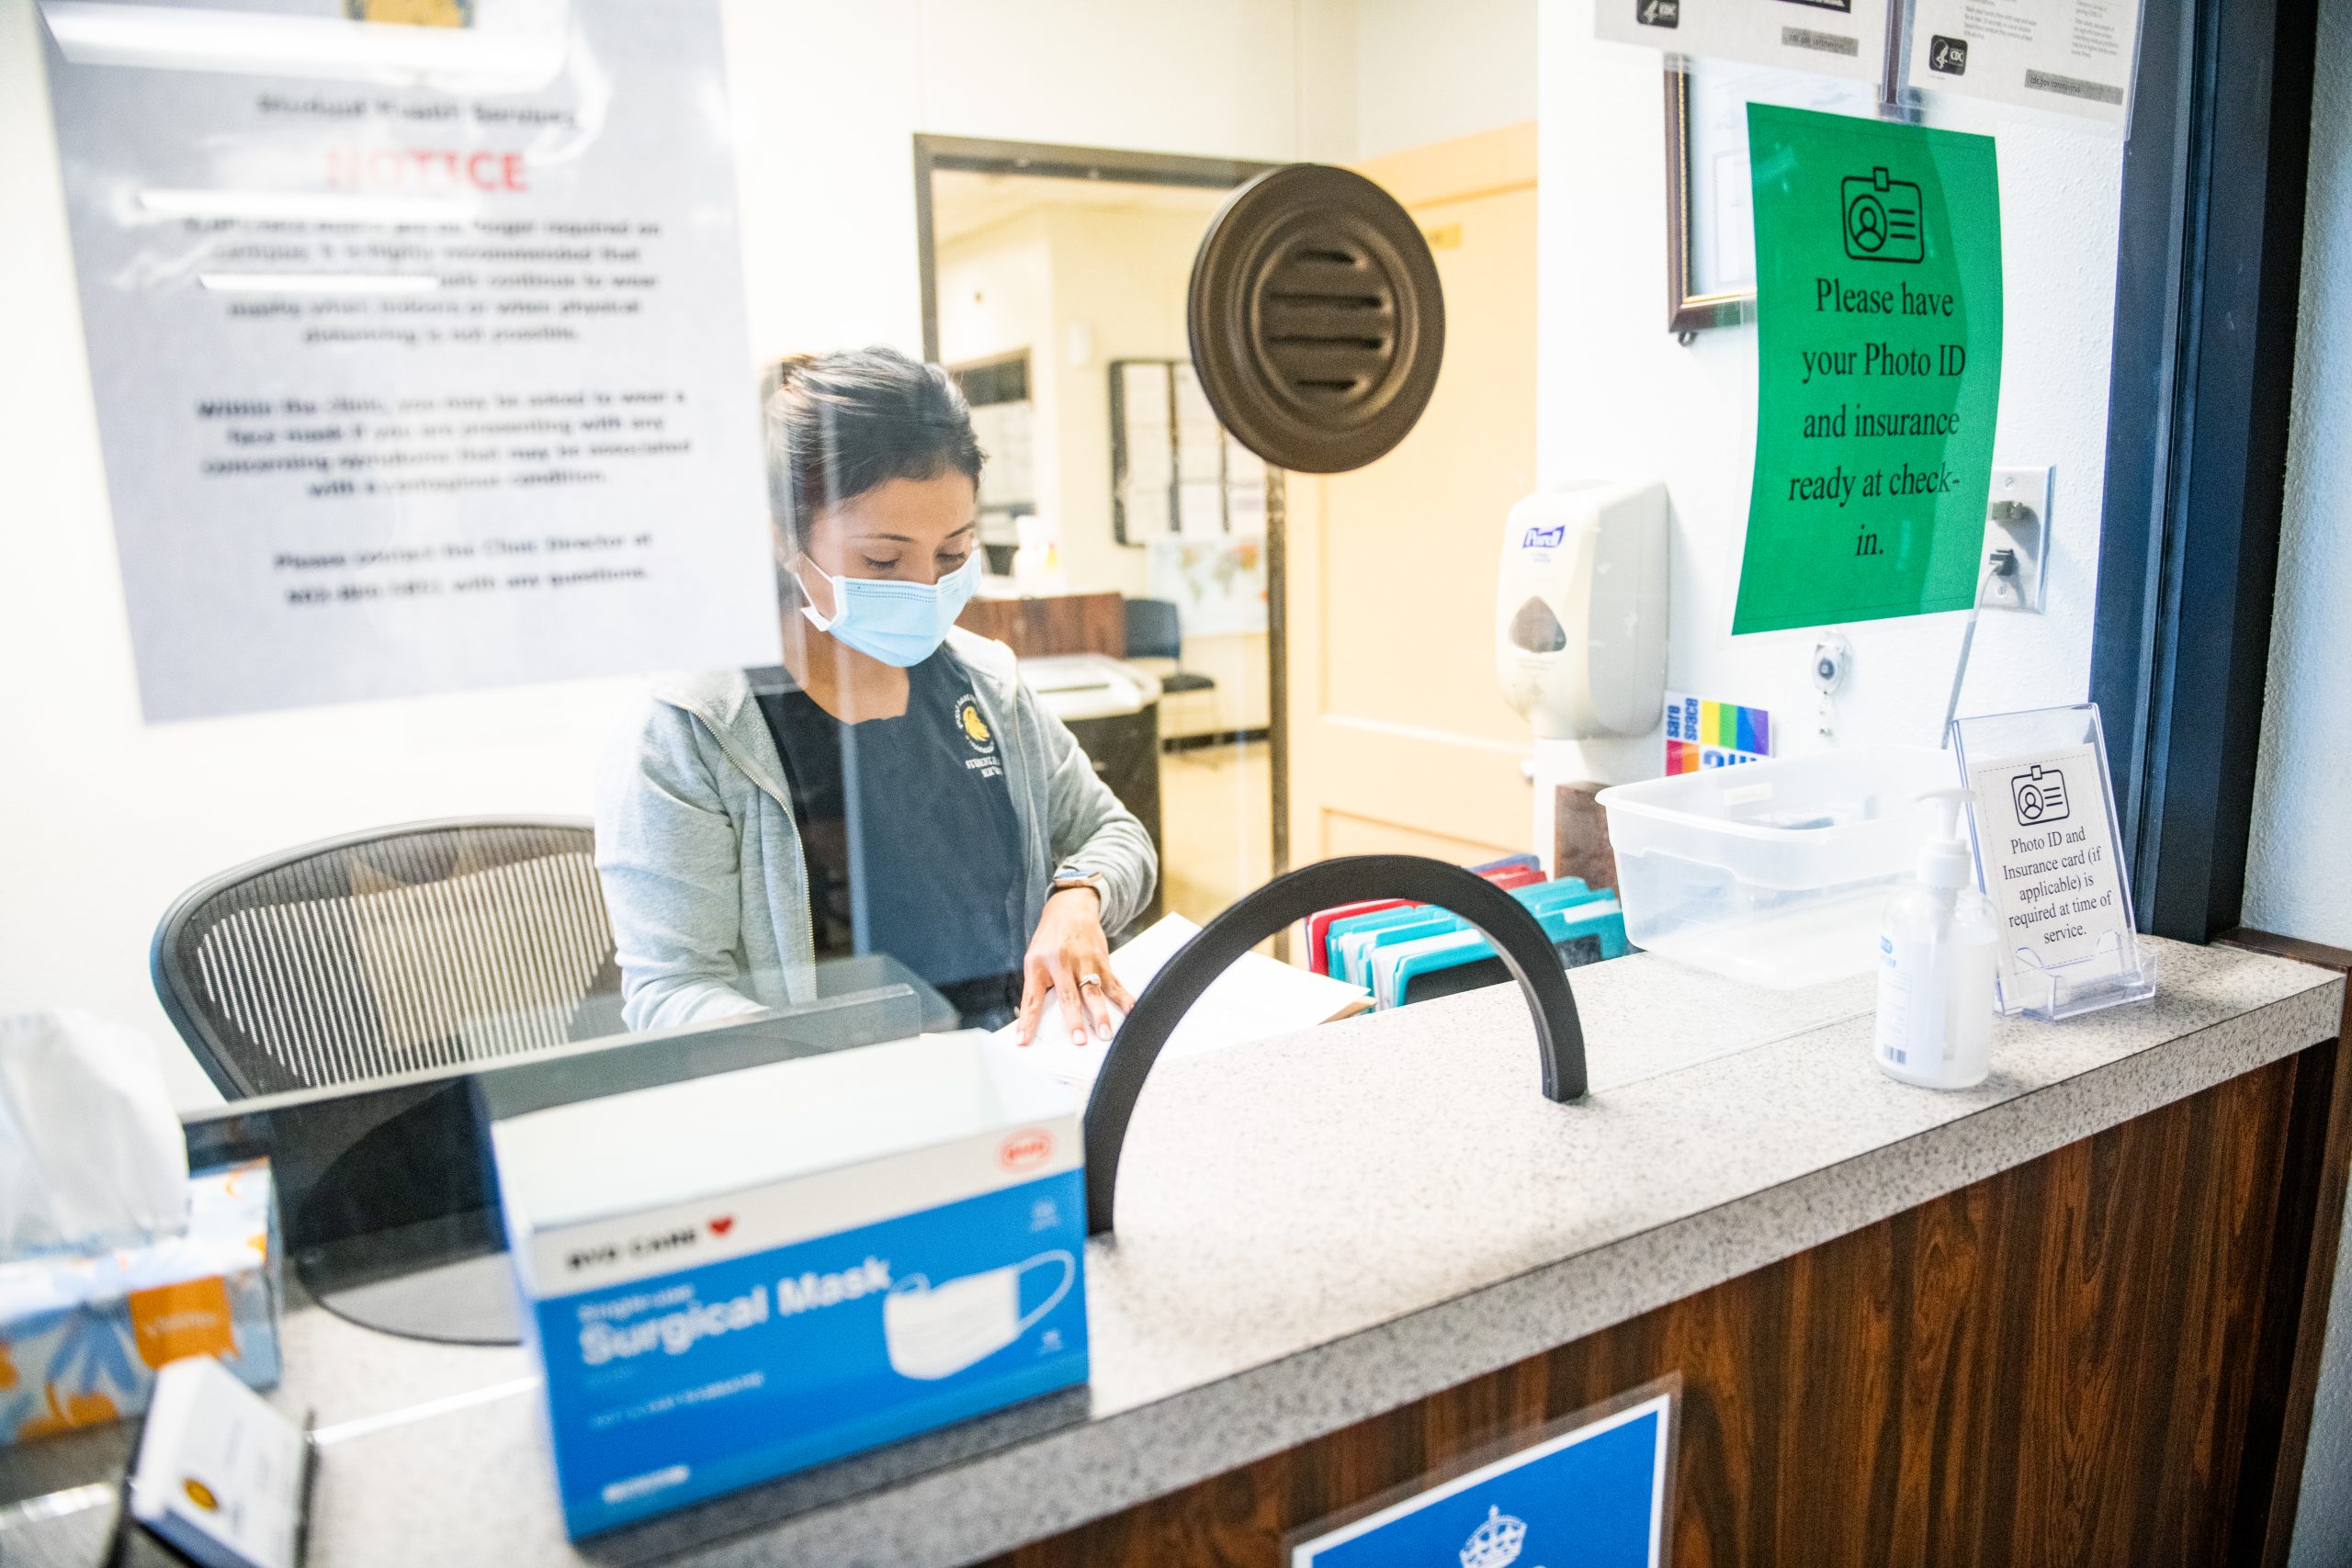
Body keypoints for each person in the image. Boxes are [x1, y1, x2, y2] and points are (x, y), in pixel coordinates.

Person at [595, 347, 1156, 1048]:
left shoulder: (985, 685)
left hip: (1023, 1065)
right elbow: (670, 991)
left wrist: (1079, 897)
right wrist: (821, 1059)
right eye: (883, 562)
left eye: (953, 554)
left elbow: (1116, 834)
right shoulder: (694, 731)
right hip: (839, 1096)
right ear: (782, 540)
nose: (926, 586)